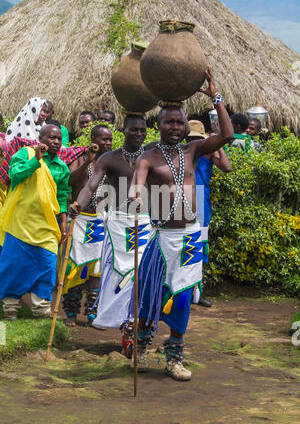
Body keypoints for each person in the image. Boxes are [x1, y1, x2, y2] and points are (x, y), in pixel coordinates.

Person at [128, 68, 234, 381]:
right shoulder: (148, 156)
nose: (175, 126)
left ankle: (174, 356)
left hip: (189, 238)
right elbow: (138, 182)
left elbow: (227, 136)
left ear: (186, 125)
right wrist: (135, 196)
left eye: (179, 121)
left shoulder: (193, 150)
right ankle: (143, 345)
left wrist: (216, 98)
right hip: (162, 238)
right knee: (154, 295)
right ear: (157, 125)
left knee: (185, 297)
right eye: (168, 122)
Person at [69, 115, 151, 358]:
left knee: (140, 279)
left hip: (145, 223)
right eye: (133, 129)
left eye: (142, 130)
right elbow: (91, 186)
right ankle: (125, 328)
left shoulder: (151, 157)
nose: (138, 133)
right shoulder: (110, 158)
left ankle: (137, 336)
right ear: (123, 130)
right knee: (119, 278)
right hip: (116, 224)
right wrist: (78, 205)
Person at [0, 124, 71, 320]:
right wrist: (36, 160)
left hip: (47, 225)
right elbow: (14, 175)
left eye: (58, 138)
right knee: (14, 265)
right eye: (51, 137)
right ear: (40, 138)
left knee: (47, 265)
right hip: (20, 222)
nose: (56, 142)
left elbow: (63, 196)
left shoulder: (61, 167)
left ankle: (41, 308)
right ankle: (10, 306)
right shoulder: (25, 154)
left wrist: (63, 222)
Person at [62, 125, 113, 326]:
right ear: (93, 139)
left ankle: (93, 311)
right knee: (74, 267)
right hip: (80, 220)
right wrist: (88, 163)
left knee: (97, 269)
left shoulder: (111, 162)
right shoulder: (80, 158)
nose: (107, 143)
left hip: (100, 221)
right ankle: (71, 312)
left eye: (109, 140)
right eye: (103, 139)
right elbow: (70, 180)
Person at [186, 120, 231, 308]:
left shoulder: (206, 151)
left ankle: (197, 292)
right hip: (185, 199)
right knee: (184, 244)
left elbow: (226, 167)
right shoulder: (184, 151)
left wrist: (217, 147)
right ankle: (186, 291)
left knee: (198, 246)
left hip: (200, 201)